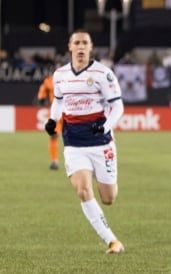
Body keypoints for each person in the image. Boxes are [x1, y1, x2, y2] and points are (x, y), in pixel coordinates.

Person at [44, 29, 125, 254]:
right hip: (74, 143)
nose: (81, 47)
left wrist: (106, 125)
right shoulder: (60, 75)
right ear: (69, 47)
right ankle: (112, 241)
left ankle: (107, 181)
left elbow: (118, 106)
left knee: (108, 198)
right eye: (77, 43)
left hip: (101, 142)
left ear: (91, 47)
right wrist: (52, 119)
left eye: (85, 43)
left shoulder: (103, 74)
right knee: (82, 190)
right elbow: (58, 101)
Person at [38, 70, 63, 170]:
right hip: (67, 110)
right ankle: (55, 160)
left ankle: (54, 160)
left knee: (54, 136)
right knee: (55, 135)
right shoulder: (69, 79)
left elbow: (41, 97)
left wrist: (42, 99)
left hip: (56, 110)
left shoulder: (48, 81)